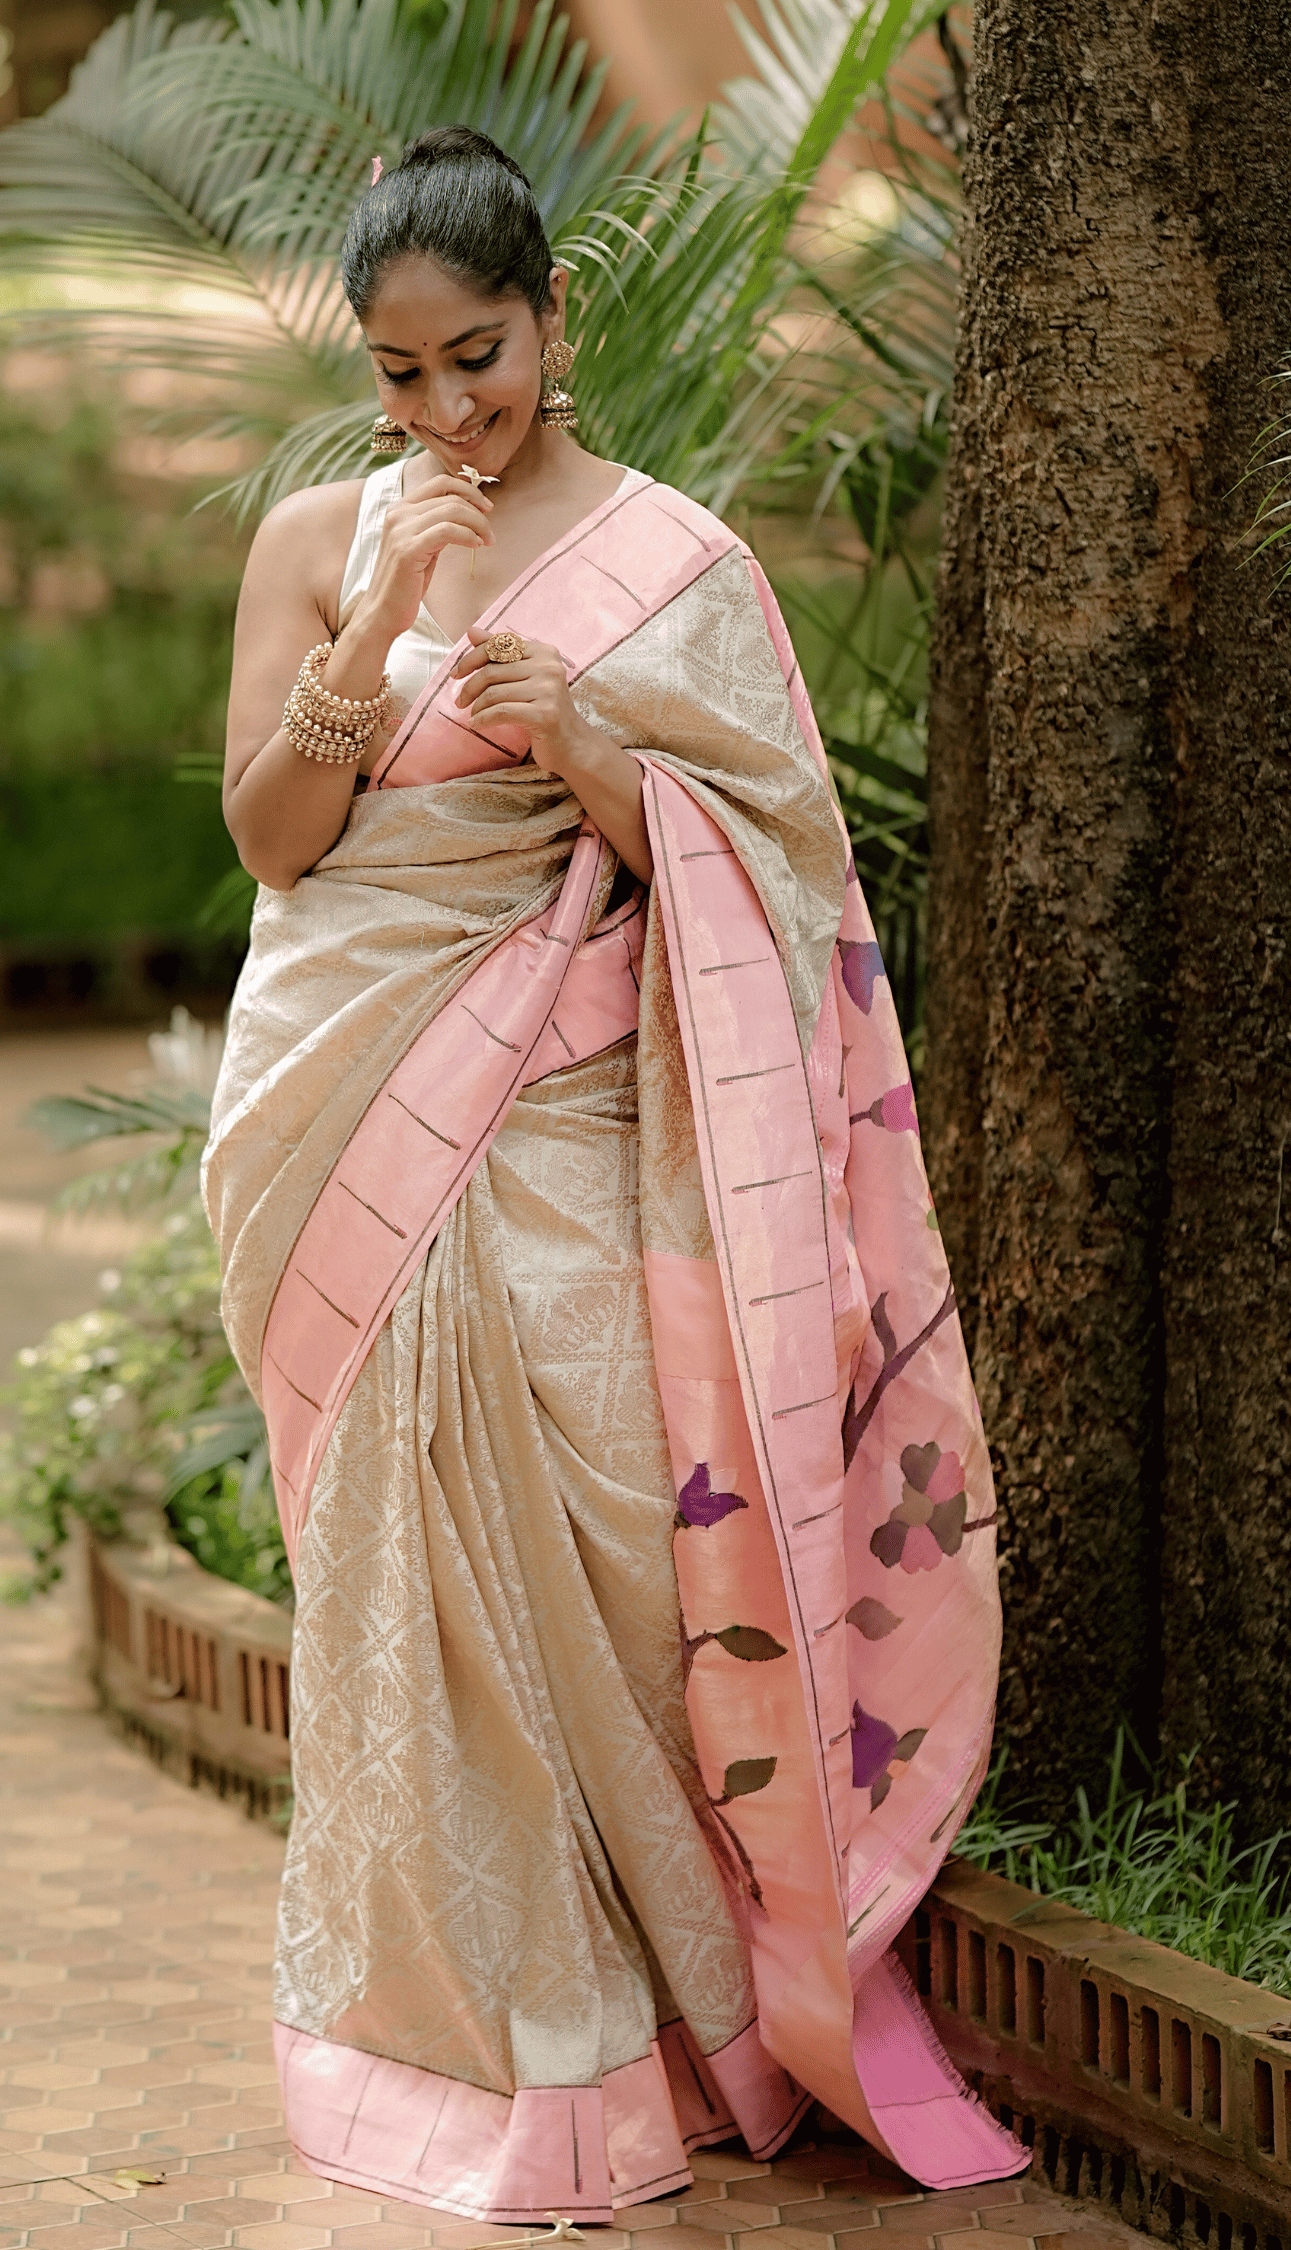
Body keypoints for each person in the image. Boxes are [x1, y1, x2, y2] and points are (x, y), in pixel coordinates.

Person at [204, 126, 1024, 2227]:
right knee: (406, 1586)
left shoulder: (677, 565)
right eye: (398, 375)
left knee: (622, 1564)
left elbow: (779, 872)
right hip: (346, 1128)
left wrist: (589, 746)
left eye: (475, 355)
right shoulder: (320, 533)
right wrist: (364, 621)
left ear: (554, 316)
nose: (445, 409)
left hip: (571, 1149)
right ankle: (468, 2048)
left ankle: (665, 2022)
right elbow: (275, 844)